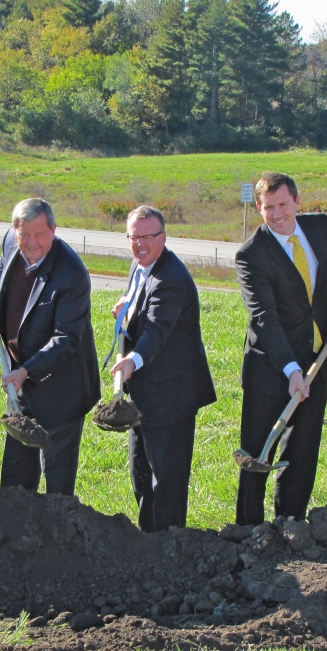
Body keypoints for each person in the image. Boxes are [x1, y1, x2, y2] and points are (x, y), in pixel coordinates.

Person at [235, 173, 327, 525]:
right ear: (258, 208)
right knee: (257, 454)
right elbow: (264, 317)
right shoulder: (251, 254)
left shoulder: (318, 228)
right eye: (268, 207)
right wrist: (290, 370)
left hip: (316, 358)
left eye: (282, 205)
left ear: (297, 202)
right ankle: (249, 531)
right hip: (270, 367)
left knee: (302, 454)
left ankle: (290, 525)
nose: (276, 214)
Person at [0, 198, 99, 495]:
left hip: (61, 387)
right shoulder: (12, 241)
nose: (31, 243)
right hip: (19, 381)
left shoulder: (71, 274)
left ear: (54, 230)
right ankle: (16, 533)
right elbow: (1, 273)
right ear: (15, 231)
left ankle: (55, 537)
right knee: (15, 479)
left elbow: (66, 338)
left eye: (39, 235)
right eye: (24, 235)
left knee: (57, 485)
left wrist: (27, 370)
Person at [110, 206, 216, 532]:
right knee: (141, 478)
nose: (140, 243)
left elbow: (157, 330)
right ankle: (148, 547)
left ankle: (171, 553)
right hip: (143, 394)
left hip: (171, 396)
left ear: (164, 237)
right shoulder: (141, 264)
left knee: (167, 485)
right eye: (134, 237)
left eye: (148, 237)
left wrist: (131, 361)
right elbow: (143, 300)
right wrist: (127, 305)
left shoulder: (171, 279)